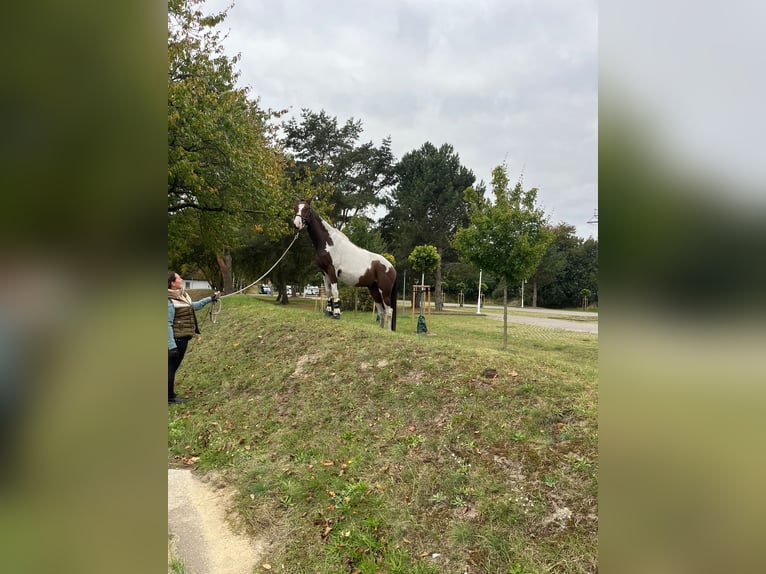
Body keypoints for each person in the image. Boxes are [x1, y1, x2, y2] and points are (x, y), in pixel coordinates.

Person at [167, 272, 219, 404]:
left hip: (182, 338)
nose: (182, 279)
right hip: (177, 340)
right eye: (179, 278)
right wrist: (172, 346)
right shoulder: (169, 300)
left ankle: (169, 394)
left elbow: (192, 307)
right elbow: (166, 324)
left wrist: (209, 299)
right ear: (172, 282)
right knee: (170, 368)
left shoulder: (181, 296)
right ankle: (169, 398)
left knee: (171, 367)